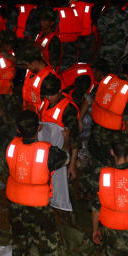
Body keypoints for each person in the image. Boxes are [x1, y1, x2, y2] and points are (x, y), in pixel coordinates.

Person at [5, 111, 69, 256]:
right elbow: (65, 158)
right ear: (39, 128)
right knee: (49, 252)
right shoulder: (47, 151)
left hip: (16, 206)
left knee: (19, 248)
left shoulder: (11, 147)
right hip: (39, 209)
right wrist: (67, 139)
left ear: (18, 129)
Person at [38, 75, 80, 210]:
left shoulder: (68, 110)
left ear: (59, 92)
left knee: (63, 183)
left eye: (52, 95)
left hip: (62, 153)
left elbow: (74, 140)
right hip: (46, 151)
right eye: (47, 95)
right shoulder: (45, 102)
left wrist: (72, 165)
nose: (49, 98)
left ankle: (66, 207)